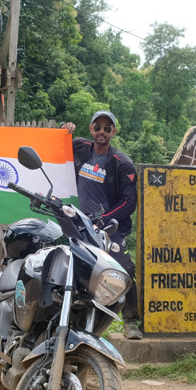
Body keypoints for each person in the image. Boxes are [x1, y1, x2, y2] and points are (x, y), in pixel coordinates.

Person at [61, 111, 141, 339]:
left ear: (113, 132)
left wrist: (103, 220)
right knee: (74, 270)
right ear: (91, 129)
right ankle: (73, 323)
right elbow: (55, 149)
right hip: (79, 225)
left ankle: (131, 321)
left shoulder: (122, 163)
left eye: (107, 128)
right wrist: (64, 129)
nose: (102, 132)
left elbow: (129, 202)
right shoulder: (80, 147)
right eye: (97, 127)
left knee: (124, 269)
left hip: (109, 228)